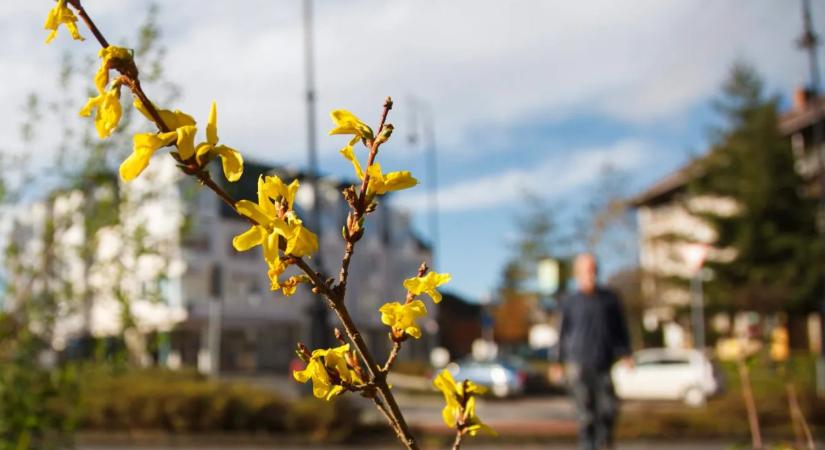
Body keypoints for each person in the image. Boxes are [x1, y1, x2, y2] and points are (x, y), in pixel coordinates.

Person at [551, 253, 632, 450]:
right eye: (586, 270)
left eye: (593, 269)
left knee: (608, 409)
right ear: (577, 273)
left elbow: (620, 328)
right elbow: (561, 333)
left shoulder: (610, 299)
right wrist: (557, 362)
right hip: (578, 364)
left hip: (604, 363)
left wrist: (626, 353)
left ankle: (605, 443)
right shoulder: (570, 301)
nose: (590, 274)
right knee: (585, 415)